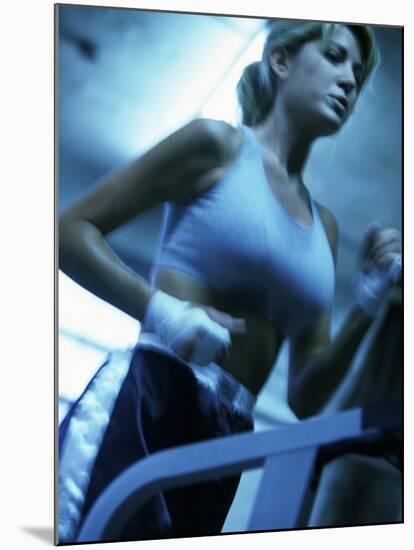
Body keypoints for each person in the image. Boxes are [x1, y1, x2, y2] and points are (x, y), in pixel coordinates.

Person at [58, 19, 402, 543]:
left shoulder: (325, 228)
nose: (350, 80)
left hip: (226, 441)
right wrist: (165, 314)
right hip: (153, 397)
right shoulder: (216, 145)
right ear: (281, 62)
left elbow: (306, 397)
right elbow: (69, 232)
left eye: (357, 72)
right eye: (335, 57)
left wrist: (366, 305)